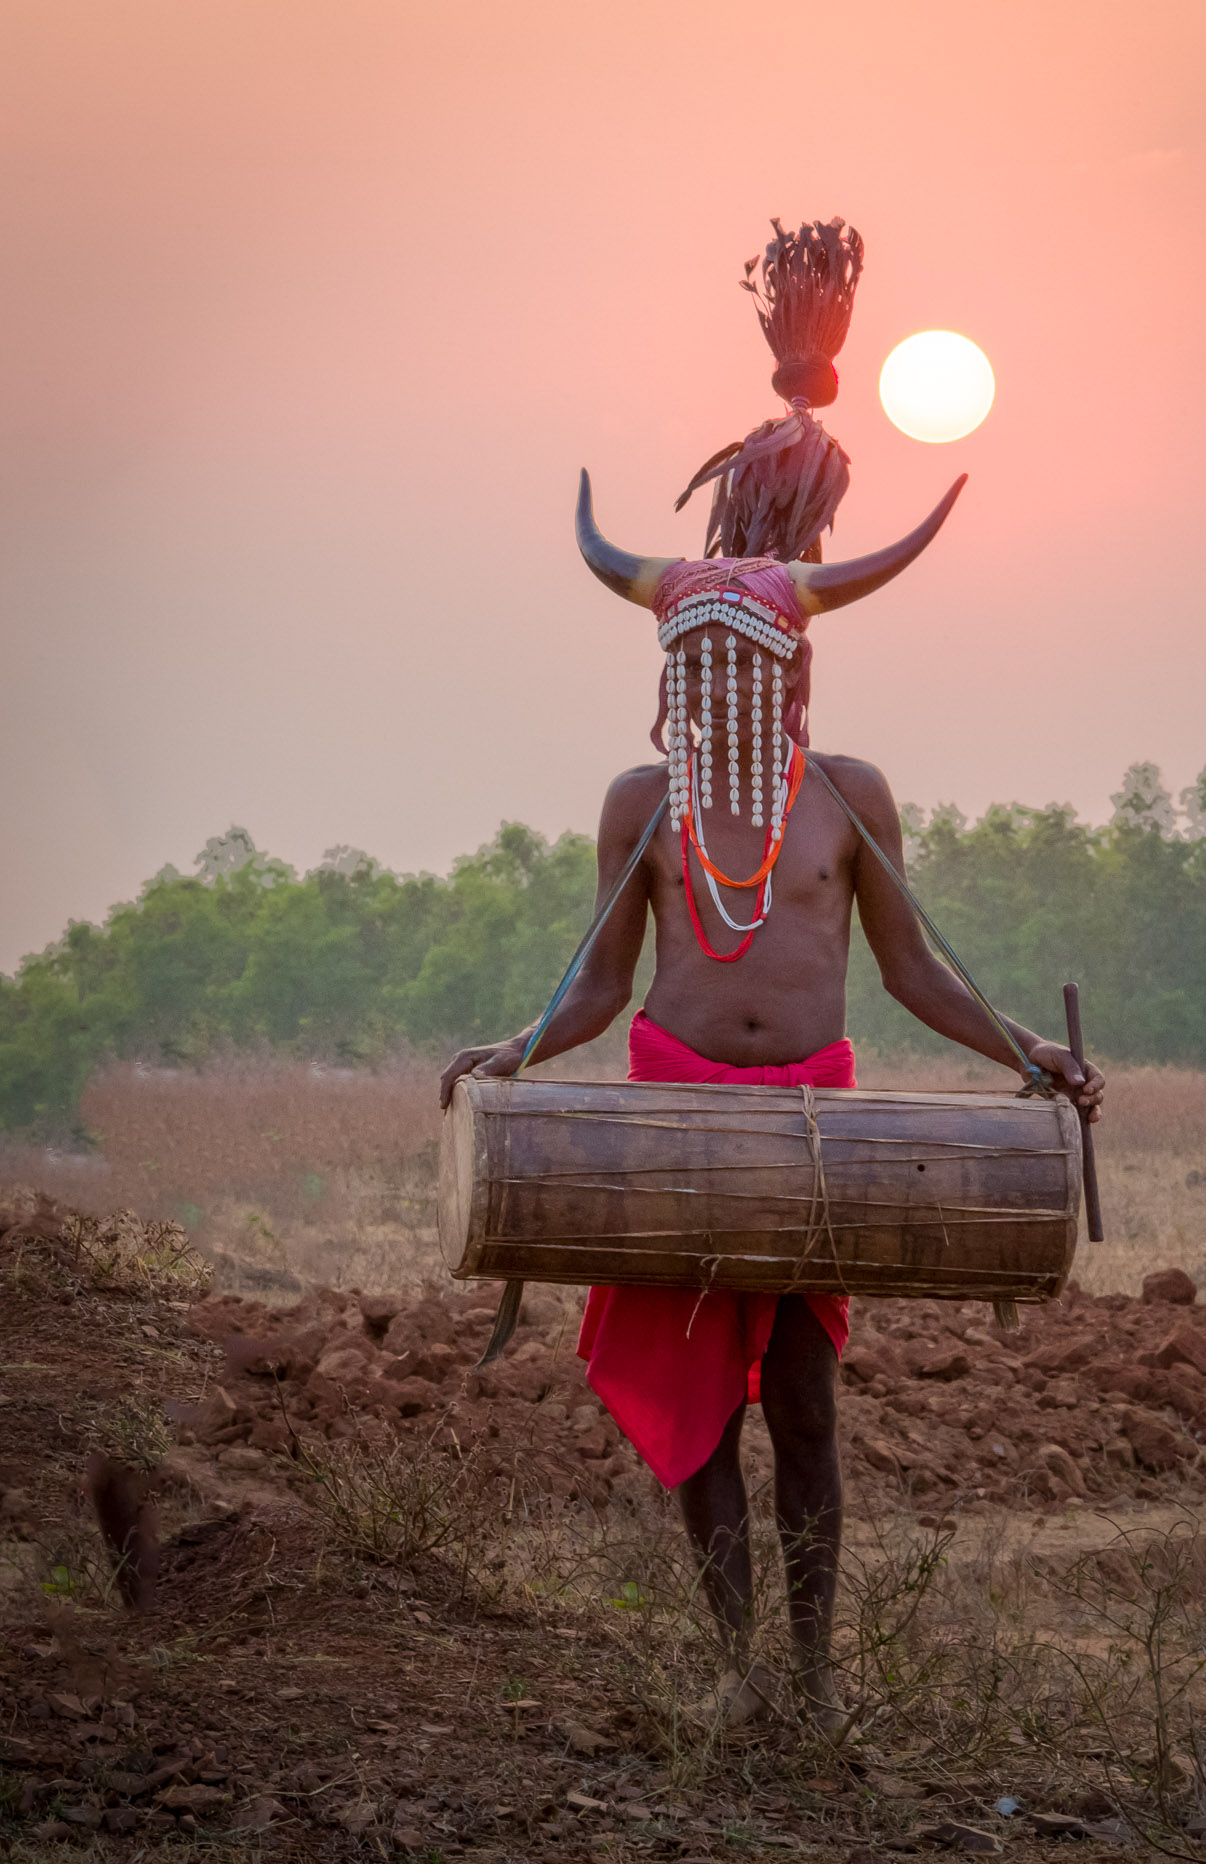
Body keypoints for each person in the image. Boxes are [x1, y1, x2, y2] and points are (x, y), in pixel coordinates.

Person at [441, 221, 1104, 1736]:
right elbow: (601, 983)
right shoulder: (642, 802)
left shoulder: (846, 792)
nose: (721, 680)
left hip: (812, 1120)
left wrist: (1024, 1056)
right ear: (673, 669)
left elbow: (914, 970)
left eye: (745, 659)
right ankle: (737, 1675)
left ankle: (809, 1684)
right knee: (691, 1431)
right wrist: (510, 1052)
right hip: (674, 1115)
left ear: (792, 668)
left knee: (802, 1407)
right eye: (698, 664)